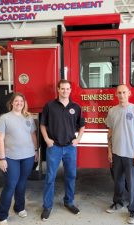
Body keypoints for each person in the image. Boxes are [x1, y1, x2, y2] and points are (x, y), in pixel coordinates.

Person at [40, 79, 85, 221]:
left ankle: (69, 202)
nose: (65, 91)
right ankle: (47, 206)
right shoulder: (49, 106)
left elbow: (82, 126)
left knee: (71, 176)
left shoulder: (76, 107)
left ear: (71, 90)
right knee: (50, 178)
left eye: (67, 89)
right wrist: (47, 139)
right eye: (62, 88)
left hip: (70, 148)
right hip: (54, 148)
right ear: (58, 90)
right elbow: (42, 125)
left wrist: (77, 140)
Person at [105, 84, 134, 224]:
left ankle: (133, 210)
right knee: (117, 181)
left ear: (129, 93)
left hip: (131, 155)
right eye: (119, 93)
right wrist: (109, 151)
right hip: (116, 154)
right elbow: (110, 132)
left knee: (133, 183)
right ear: (116, 95)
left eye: (124, 92)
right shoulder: (112, 111)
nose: (121, 95)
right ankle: (117, 203)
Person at [0, 92, 38, 225]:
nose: (19, 103)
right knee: (10, 185)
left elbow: (33, 135)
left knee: (22, 183)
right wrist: (2, 159)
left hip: (28, 156)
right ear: (12, 103)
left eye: (21, 101)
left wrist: (36, 150)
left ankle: (19, 207)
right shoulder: (4, 118)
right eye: (16, 101)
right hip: (11, 157)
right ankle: (2, 214)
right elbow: (0, 139)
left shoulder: (28, 117)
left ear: (24, 103)